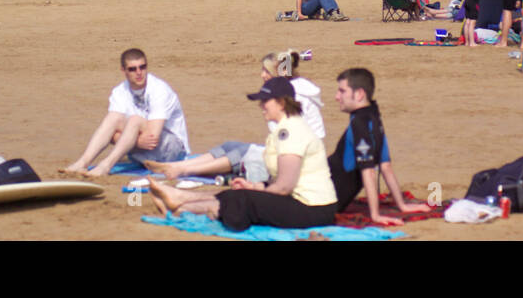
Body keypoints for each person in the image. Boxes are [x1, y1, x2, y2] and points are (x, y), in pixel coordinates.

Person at [147, 76, 337, 232]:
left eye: (265, 101)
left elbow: (283, 188)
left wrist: (255, 190)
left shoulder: (292, 131)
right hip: (301, 201)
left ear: (280, 103)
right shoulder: (282, 130)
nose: (261, 105)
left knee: (242, 200)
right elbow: (278, 183)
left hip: (314, 209)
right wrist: (253, 185)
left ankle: (182, 207)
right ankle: (181, 199)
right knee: (238, 193)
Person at [144, 50, 324, 182]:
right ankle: (178, 166)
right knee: (231, 145)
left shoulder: (292, 98)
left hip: (297, 159)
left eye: (267, 71)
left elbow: (294, 139)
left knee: (242, 153)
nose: (262, 75)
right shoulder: (287, 91)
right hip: (286, 150)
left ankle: (185, 171)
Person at [63, 48, 190, 178]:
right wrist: (136, 141)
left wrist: (130, 138)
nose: (139, 73)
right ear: (123, 70)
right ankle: (83, 162)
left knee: (135, 120)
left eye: (142, 67)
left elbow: (153, 137)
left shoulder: (159, 90)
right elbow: (111, 135)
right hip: (141, 152)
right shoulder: (119, 92)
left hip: (171, 150)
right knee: (114, 118)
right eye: (132, 69)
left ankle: (105, 165)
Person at [328, 68, 432, 225]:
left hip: (320, 201)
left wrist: (375, 215)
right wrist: (402, 205)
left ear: (359, 94)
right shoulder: (373, 116)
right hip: (325, 192)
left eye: (342, 91)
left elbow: (369, 172)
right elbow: (386, 166)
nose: (337, 97)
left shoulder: (361, 124)